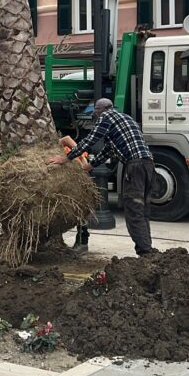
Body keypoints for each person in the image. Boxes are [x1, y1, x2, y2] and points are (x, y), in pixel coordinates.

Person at [48, 98, 157, 257]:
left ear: (101, 110)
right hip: (149, 165)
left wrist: (65, 159)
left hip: (134, 166)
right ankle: (148, 250)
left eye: (95, 112)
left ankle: (145, 253)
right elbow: (109, 150)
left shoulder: (106, 117)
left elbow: (90, 140)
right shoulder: (126, 118)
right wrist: (89, 166)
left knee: (134, 211)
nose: (95, 115)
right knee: (143, 210)